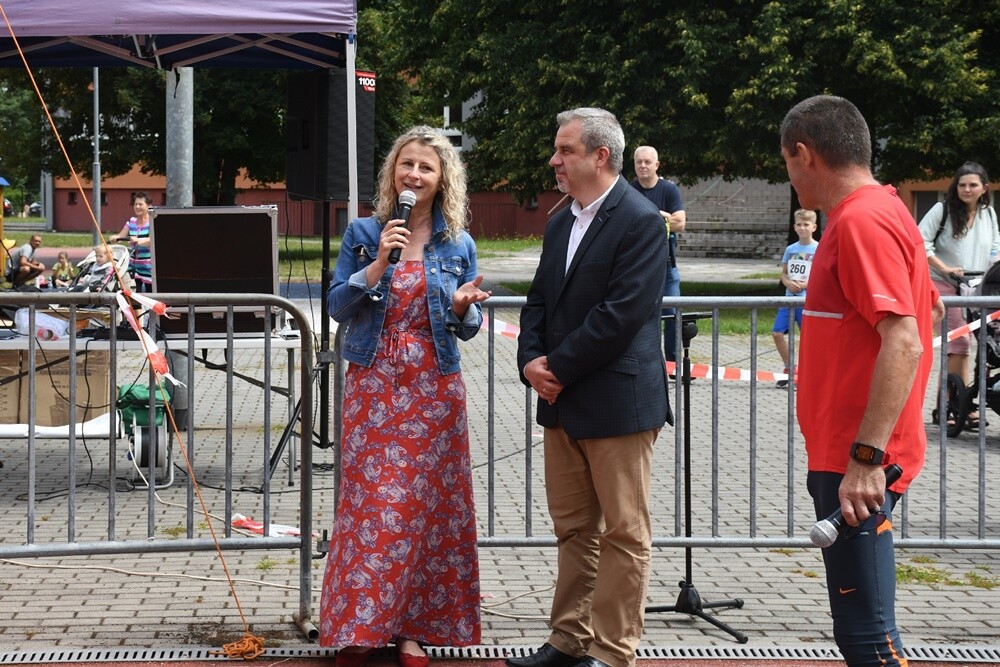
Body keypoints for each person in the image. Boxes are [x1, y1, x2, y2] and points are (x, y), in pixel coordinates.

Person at [780, 95, 944, 666]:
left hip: (857, 456)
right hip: (855, 450)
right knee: (867, 631)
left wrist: (867, 457)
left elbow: (904, 340)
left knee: (867, 638)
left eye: (787, 162)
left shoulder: (859, 221)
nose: (790, 178)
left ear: (805, 154)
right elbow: (927, 311)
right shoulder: (883, 210)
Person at [321, 126, 491, 667]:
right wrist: (376, 265)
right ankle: (361, 627)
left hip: (434, 388)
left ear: (443, 180)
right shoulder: (364, 232)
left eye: (426, 167)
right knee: (373, 506)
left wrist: (463, 308)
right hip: (373, 385)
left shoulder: (458, 244)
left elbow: (469, 326)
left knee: (425, 510)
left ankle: (412, 631)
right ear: (393, 172)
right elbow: (337, 307)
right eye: (407, 164)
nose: (414, 175)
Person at [511, 108, 671, 667]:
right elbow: (538, 301)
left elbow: (621, 315)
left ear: (600, 156)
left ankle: (612, 651)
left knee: (625, 532)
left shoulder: (641, 220)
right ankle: (568, 640)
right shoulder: (561, 222)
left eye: (565, 150)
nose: (553, 160)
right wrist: (529, 362)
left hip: (617, 403)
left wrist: (554, 368)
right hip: (562, 402)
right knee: (574, 529)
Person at [917, 161, 1000, 429]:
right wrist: (944, 268)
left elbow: (996, 246)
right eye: (962, 184)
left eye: (973, 185)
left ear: (984, 188)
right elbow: (920, 242)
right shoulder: (941, 210)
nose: (966, 189)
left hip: (977, 285)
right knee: (960, 342)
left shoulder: (988, 213)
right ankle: (954, 406)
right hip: (943, 283)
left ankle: (957, 405)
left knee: (980, 343)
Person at [630, 145, 686, 364]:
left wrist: (650, 217)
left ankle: (673, 364)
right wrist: (661, 217)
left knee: (672, 313)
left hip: (667, 266)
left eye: (647, 162)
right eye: (639, 162)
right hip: (638, 267)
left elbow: (680, 223)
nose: (643, 166)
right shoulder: (629, 190)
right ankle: (648, 363)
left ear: (657, 165)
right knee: (640, 317)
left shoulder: (669, 189)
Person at [772, 209, 819, 387]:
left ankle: (809, 373)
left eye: (806, 224)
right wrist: (787, 282)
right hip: (789, 298)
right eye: (799, 224)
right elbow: (784, 273)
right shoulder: (791, 249)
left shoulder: (819, 248)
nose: (802, 228)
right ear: (794, 227)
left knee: (807, 339)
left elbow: (821, 275)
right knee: (777, 333)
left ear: (813, 227)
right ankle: (790, 368)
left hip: (807, 300)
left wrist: (805, 285)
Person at [110, 191, 153, 291]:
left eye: (140, 204)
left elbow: (152, 240)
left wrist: (138, 240)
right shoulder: (131, 222)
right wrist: (115, 238)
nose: (137, 207)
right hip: (134, 267)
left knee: (149, 293)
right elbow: (120, 236)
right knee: (135, 292)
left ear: (148, 206)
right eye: (135, 204)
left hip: (149, 268)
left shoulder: (152, 222)